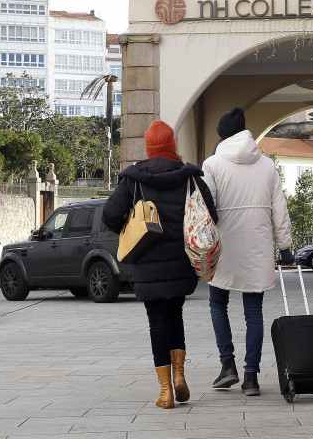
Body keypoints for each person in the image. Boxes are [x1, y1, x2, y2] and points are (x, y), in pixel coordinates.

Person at [102, 120, 217, 410]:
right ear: (172, 146)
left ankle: (165, 391)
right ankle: (180, 374)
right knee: (175, 315)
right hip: (180, 263)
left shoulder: (134, 180)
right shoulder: (190, 178)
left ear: (149, 148)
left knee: (157, 323)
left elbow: (110, 216)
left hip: (147, 263)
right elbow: (212, 215)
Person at [202, 106, 294, 397]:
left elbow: (207, 209)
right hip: (257, 247)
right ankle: (251, 377)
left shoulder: (212, 164)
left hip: (224, 248)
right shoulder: (267, 165)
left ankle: (227, 364)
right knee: (254, 313)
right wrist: (286, 249)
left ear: (222, 134)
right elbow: (280, 209)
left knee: (218, 303)